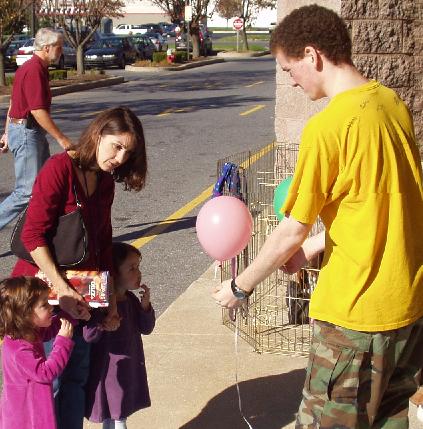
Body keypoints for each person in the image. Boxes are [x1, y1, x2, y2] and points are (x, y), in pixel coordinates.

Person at [213, 5, 423, 428]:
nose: (291, 80)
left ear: (312, 55)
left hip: (354, 317)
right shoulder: (392, 104)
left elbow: (291, 228)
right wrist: (316, 246)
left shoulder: (327, 129)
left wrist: (240, 285)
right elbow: (383, 208)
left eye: (290, 69)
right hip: (407, 310)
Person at [11, 106, 148, 429]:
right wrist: (62, 290)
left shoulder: (104, 182)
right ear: (98, 135)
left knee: (76, 379)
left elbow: (102, 241)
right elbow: (33, 235)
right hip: (43, 293)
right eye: (116, 146)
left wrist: (111, 298)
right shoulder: (59, 169)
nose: (119, 158)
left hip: (84, 293)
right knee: (50, 383)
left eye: (128, 152)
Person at [0, 28, 74, 231]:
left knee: (44, 186)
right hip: (26, 133)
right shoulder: (33, 70)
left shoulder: (34, 68)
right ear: (47, 47)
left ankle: (44, 232)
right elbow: (37, 110)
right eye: (59, 47)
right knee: (25, 191)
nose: (61, 51)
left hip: (27, 131)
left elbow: (15, 103)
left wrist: (7, 132)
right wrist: (61, 138)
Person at [83, 242, 155, 429]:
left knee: (117, 418)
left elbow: (146, 328)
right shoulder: (102, 304)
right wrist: (103, 324)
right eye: (131, 268)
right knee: (117, 418)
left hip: (128, 370)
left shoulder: (131, 300)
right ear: (114, 274)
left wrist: (145, 307)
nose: (138, 273)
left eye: (138, 267)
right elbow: (89, 335)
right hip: (110, 375)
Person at [0, 276, 74, 429]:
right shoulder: (19, 349)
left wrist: (70, 315)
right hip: (27, 416)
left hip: (31, 408)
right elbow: (45, 373)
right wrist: (63, 341)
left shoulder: (26, 331)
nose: (51, 307)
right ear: (25, 313)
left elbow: (47, 331)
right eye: (44, 304)